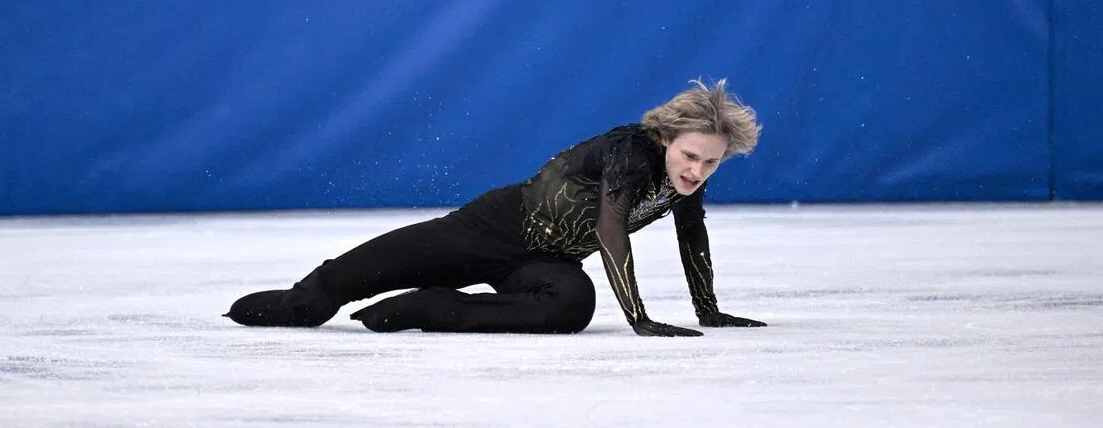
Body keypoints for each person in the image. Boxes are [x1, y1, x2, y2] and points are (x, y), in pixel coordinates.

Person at [225, 79, 765, 336]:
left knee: (571, 305)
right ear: (667, 137)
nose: (697, 170)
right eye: (690, 156)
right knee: (330, 292)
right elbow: (610, 230)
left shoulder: (685, 179)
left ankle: (432, 308)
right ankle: (300, 301)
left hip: (544, 262)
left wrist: (708, 310)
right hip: (491, 227)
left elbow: (692, 235)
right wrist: (639, 319)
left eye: (711, 162)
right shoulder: (631, 151)